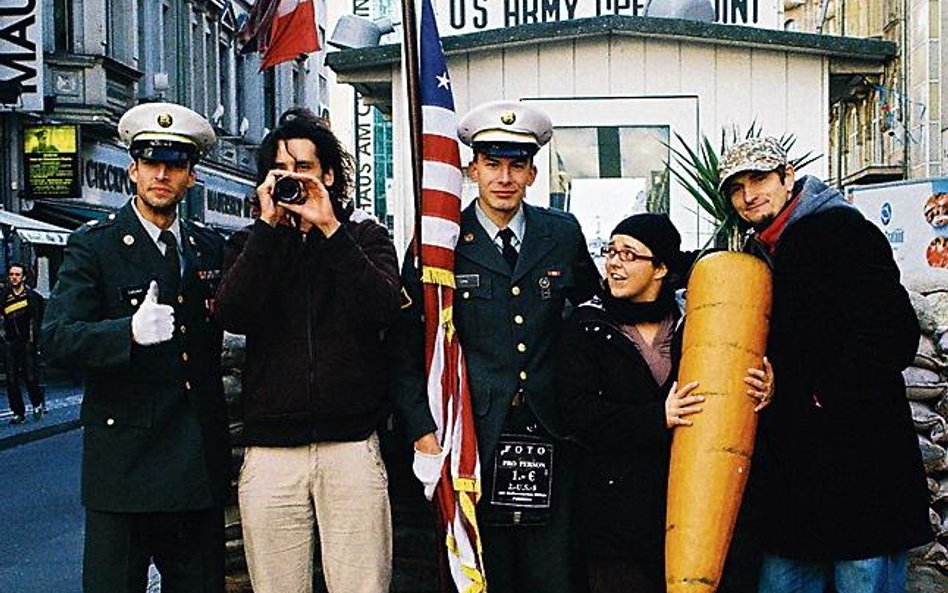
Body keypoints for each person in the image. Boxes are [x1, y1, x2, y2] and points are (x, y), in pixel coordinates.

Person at [391, 100, 602, 593]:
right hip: (471, 438)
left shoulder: (561, 234)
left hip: (552, 433)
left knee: (552, 575)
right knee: (484, 573)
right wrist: (422, 429)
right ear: (471, 169)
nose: (503, 178)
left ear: (532, 172)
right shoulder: (438, 240)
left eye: (515, 165)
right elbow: (405, 346)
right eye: (492, 164)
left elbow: (591, 322)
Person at [718, 136, 932, 593]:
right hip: (797, 473)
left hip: (859, 463)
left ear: (788, 177)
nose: (749, 195)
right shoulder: (761, 252)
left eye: (758, 179)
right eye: (736, 188)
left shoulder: (839, 231)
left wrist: (812, 392)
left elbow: (894, 335)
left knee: (861, 576)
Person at [41, 102, 229, 593]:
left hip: (195, 466)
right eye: (151, 162)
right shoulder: (96, 246)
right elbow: (55, 337)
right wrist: (125, 332)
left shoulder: (208, 246)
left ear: (192, 175)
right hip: (125, 469)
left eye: (175, 164)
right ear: (133, 170)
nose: (161, 174)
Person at [215, 108, 400, 593]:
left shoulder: (364, 238)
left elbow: (383, 310)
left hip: (351, 445)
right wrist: (269, 229)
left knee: (362, 585)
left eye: (304, 169)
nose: (293, 181)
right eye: (282, 172)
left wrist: (330, 230)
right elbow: (232, 312)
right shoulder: (250, 243)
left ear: (329, 176)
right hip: (272, 450)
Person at [555, 213, 774, 593]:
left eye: (629, 254)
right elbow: (576, 413)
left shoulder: (700, 323)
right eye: (611, 251)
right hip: (616, 519)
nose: (614, 263)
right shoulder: (588, 326)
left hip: (697, 514)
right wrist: (657, 417)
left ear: (660, 268)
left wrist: (764, 388)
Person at [2, 263, 47, 423]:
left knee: (30, 377)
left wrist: (35, 340)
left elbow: (36, 319)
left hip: (27, 342)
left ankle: (37, 403)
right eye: (11, 274)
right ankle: (18, 413)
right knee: (11, 378)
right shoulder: (4, 296)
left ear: (23, 277)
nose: (14, 277)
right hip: (11, 341)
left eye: (17, 275)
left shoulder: (31, 296)